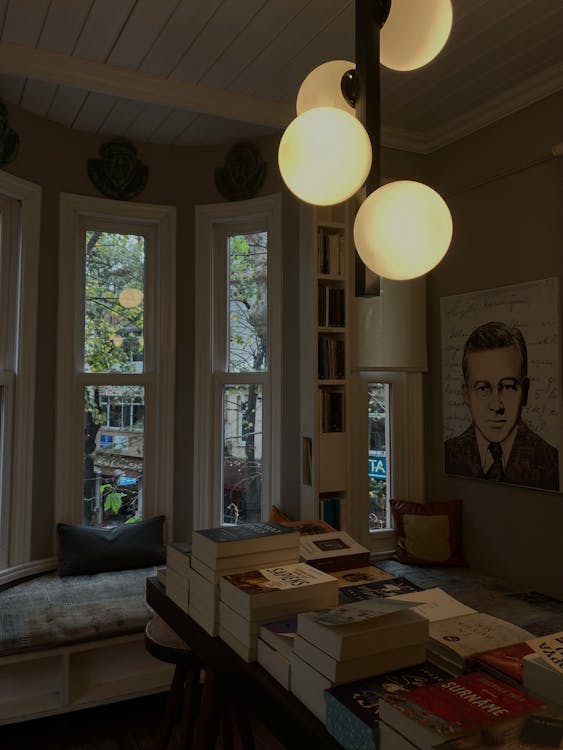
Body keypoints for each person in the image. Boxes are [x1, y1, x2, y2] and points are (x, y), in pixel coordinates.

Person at [444, 321, 559, 490]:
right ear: (466, 395)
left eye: (508, 387)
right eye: (483, 388)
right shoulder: (448, 454)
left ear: (525, 391)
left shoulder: (552, 463)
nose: (497, 406)